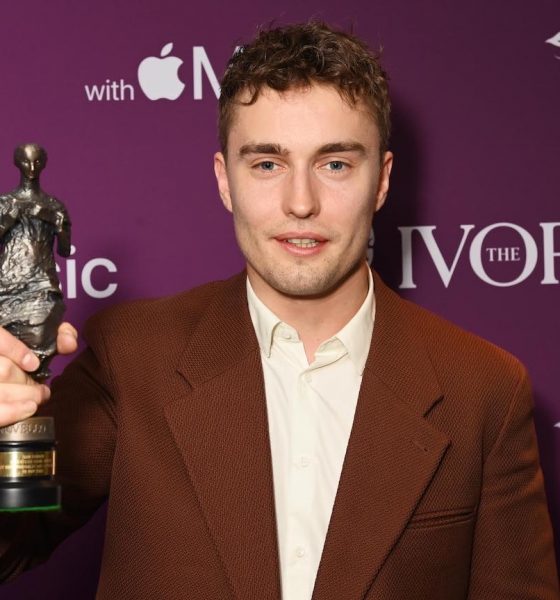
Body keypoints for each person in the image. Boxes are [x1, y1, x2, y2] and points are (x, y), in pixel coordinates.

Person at [0, 22, 558, 600]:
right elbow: (12, 542)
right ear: (224, 181)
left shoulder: (484, 391)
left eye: (335, 164)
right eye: (267, 164)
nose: (300, 203)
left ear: (382, 181)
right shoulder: (134, 356)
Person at [0, 144, 71, 380]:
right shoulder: (6, 204)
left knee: (38, 354)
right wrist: (6, 221)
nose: (31, 168)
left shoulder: (55, 207)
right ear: (17, 163)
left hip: (42, 286)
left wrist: (61, 229)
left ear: (44, 163)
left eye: (37, 162)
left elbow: (64, 250)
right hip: (7, 289)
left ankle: (32, 401)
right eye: (26, 162)